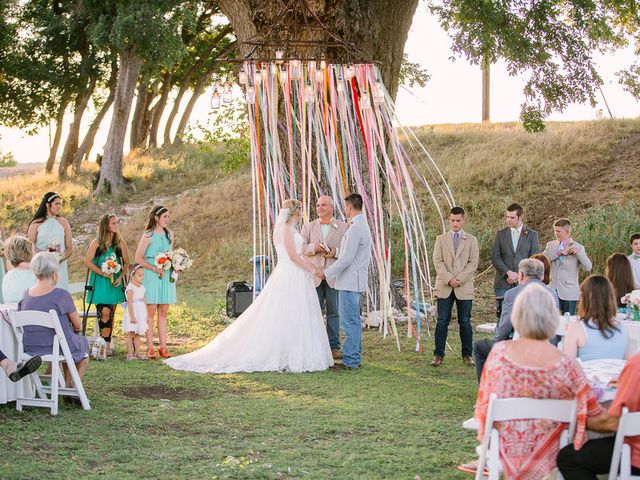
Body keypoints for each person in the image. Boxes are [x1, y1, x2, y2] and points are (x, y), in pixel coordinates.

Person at [164, 199, 333, 373]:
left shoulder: (288, 229)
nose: (301, 215)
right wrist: (313, 269)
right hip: (290, 274)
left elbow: (298, 254)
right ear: (295, 213)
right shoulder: (286, 230)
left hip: (295, 274)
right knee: (285, 312)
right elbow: (292, 256)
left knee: (294, 313)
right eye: (300, 212)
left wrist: (312, 269)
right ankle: (285, 354)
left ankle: (292, 352)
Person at [474, 283, 605, 480]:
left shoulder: (498, 356)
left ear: (516, 316)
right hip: (553, 453)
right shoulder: (568, 366)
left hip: (505, 447)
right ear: (553, 317)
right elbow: (589, 411)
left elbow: (484, 407)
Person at [472, 258, 559, 382]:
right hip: (548, 349)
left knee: (479, 347)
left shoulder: (513, 293)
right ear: (541, 276)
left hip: (519, 349)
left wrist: (497, 346)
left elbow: (504, 327)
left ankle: (484, 388)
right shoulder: (553, 294)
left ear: (521, 275)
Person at [556, 351, 640, 479]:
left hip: (635, 456)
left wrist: (580, 422)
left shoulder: (636, 365)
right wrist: (627, 381)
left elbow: (612, 423)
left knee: (568, 458)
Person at [18, 252, 89, 390]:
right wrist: (76, 330)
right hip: (57, 346)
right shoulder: (61, 295)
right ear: (54, 274)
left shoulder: (26, 295)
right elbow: (78, 325)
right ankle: (73, 386)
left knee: (67, 346)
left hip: (31, 347)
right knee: (81, 348)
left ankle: (68, 385)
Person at [322, 193, 372, 371]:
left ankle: (350, 360)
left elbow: (347, 260)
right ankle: (354, 357)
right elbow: (347, 255)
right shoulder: (360, 225)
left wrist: (326, 273)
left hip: (350, 282)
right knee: (353, 321)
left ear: (349, 207)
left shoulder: (356, 228)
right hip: (353, 281)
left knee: (349, 322)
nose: (345, 209)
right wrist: (335, 254)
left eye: (345, 206)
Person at [301, 195, 348, 359]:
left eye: (323, 205)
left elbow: (348, 249)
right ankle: (314, 346)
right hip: (314, 275)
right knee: (314, 311)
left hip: (334, 274)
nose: (319, 208)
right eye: (318, 205)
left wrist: (336, 252)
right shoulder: (308, 227)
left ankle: (334, 346)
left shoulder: (343, 227)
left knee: (334, 312)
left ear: (331, 208)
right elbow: (300, 248)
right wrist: (315, 247)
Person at [431, 206, 479, 367]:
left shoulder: (472, 240)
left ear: (463, 220)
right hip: (445, 286)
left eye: (458, 221)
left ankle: (467, 354)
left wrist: (460, 279)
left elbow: (473, 263)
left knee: (465, 321)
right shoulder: (441, 239)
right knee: (442, 321)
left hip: (463, 287)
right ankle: (438, 354)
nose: (455, 223)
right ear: (449, 220)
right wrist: (449, 278)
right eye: (452, 221)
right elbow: (437, 261)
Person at [134, 206, 176, 359]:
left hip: (166, 275)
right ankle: (150, 346)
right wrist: (153, 268)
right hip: (152, 275)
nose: (167, 219)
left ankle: (164, 347)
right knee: (150, 312)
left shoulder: (170, 234)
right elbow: (138, 258)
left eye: (168, 216)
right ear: (156, 218)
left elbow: (170, 255)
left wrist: (177, 267)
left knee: (164, 311)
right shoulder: (148, 235)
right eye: (165, 216)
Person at [85, 213, 129, 353]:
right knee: (104, 312)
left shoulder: (119, 243)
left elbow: (127, 263)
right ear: (106, 225)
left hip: (114, 283)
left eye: (117, 222)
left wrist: (119, 277)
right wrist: (102, 272)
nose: (116, 225)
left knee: (111, 313)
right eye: (113, 223)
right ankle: (104, 344)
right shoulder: (97, 243)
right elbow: (87, 262)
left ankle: (107, 344)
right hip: (100, 282)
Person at [563, 275, 629, 362]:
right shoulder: (623, 328)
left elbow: (568, 366)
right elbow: (626, 364)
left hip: (588, 375)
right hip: (617, 375)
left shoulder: (577, 328)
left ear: (585, 298)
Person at [491, 203, 539, 317]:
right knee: (503, 316)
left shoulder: (531, 235)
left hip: (523, 282)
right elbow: (495, 257)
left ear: (520, 217)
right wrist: (508, 273)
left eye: (512, 217)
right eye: (507, 217)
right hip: (503, 282)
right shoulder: (500, 234)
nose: (509, 220)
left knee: (523, 316)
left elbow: (534, 258)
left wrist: (519, 275)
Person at [544, 218, 592, 314]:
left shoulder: (578, 247)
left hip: (569, 292)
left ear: (567, 231)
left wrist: (578, 253)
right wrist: (559, 253)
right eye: (554, 231)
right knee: (551, 321)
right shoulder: (551, 245)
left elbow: (588, 267)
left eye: (558, 231)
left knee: (568, 322)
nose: (555, 233)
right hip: (552, 289)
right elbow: (543, 260)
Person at [27, 192, 73, 291]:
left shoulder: (64, 223)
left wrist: (58, 258)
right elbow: (29, 245)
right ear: (48, 205)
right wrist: (45, 258)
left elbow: (69, 247)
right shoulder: (36, 223)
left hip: (59, 266)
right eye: (56, 204)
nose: (59, 206)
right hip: (41, 266)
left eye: (60, 204)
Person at [122, 264, 148, 361]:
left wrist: (146, 315)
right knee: (131, 333)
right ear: (132, 275)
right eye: (139, 275)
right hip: (133, 313)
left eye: (143, 275)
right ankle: (129, 354)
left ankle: (138, 352)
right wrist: (132, 317)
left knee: (138, 334)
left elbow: (144, 301)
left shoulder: (142, 288)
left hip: (140, 313)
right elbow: (129, 303)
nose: (142, 277)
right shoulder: (131, 288)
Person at [2, 235, 37, 303]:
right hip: (32, 312)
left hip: (11, 312)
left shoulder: (7, 276)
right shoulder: (37, 274)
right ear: (29, 252)